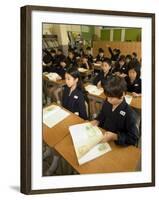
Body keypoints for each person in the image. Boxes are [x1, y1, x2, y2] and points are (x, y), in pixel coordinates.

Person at [90, 75, 139, 146]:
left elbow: (133, 138)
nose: (108, 100)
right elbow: (102, 114)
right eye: (107, 97)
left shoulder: (129, 114)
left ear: (122, 95)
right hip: (103, 137)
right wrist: (97, 120)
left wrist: (115, 136)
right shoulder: (108, 101)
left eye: (111, 98)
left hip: (116, 144)